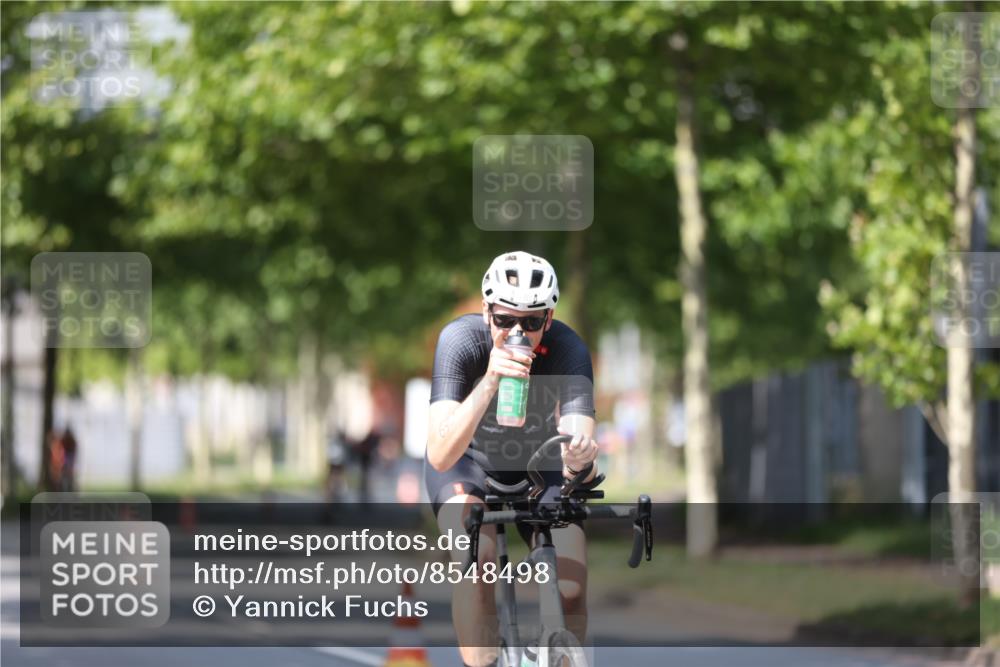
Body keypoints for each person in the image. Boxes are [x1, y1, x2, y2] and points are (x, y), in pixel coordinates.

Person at [424, 251, 599, 667]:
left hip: (537, 466)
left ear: (549, 319)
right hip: (466, 464)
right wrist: (490, 381)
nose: (517, 331)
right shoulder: (461, 341)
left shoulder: (568, 350)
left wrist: (578, 459)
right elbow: (440, 453)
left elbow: (581, 453)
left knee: (572, 585)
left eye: (532, 322)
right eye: (504, 320)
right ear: (486, 312)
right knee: (476, 559)